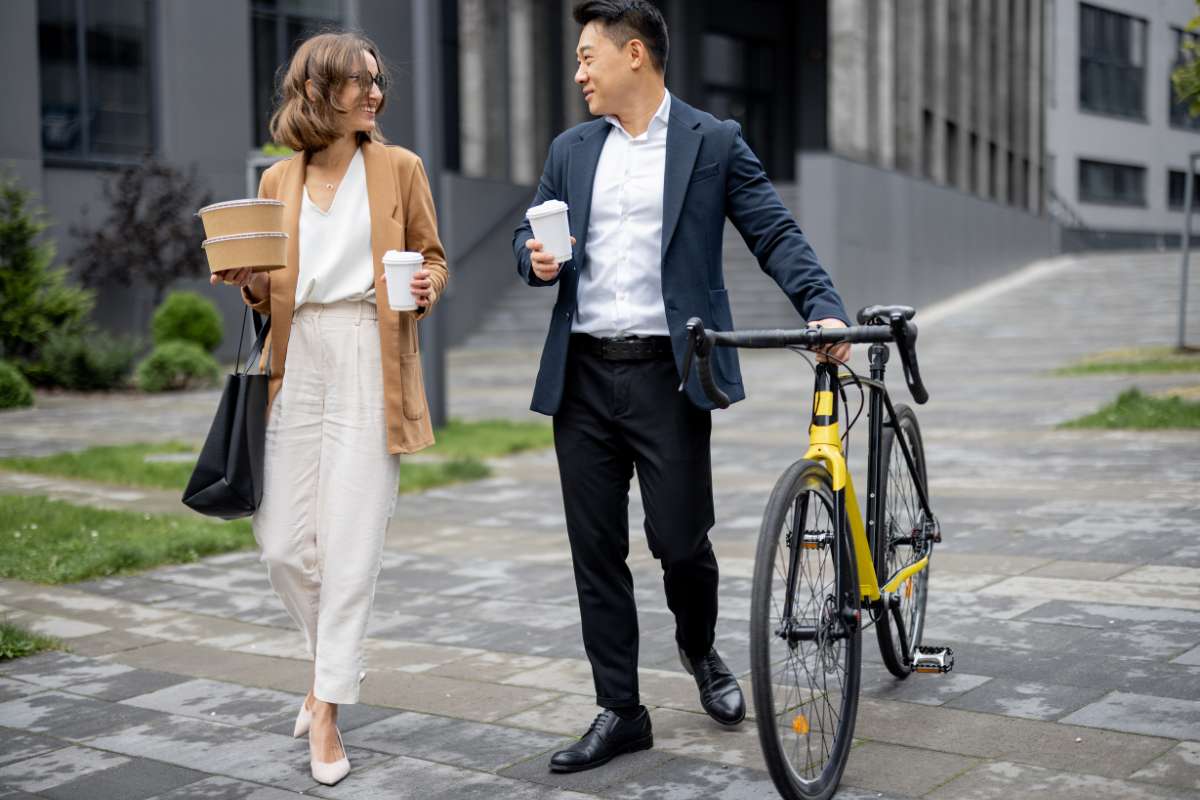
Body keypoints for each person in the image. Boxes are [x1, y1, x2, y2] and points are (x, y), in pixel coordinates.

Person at [512, 0, 851, 773]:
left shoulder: (712, 143)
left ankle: (699, 651)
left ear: (636, 54)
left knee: (679, 541)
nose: (578, 74)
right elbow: (528, 234)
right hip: (585, 376)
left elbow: (773, 231)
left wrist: (823, 308)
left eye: (588, 57)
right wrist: (530, 256)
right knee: (595, 551)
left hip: (669, 374)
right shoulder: (571, 148)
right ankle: (621, 711)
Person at [212, 31, 447, 785]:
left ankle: (326, 708)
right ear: (319, 89)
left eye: (378, 82)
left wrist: (425, 288)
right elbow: (268, 286)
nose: (375, 93)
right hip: (295, 357)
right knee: (282, 542)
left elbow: (433, 259)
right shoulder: (279, 181)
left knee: (351, 548)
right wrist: (247, 280)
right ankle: (332, 668)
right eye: (359, 82)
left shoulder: (400, 169)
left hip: (368, 350)